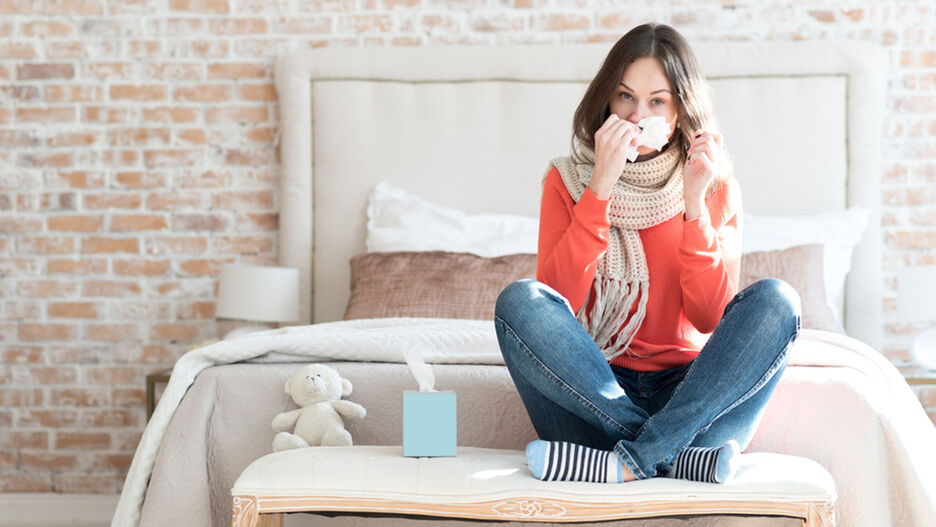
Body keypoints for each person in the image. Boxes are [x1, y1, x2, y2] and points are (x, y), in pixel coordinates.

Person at [493, 23, 802, 484]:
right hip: (592, 393)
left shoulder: (714, 185)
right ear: (606, 102)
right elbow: (558, 301)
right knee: (520, 301)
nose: (638, 115)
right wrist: (599, 188)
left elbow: (709, 317)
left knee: (778, 302)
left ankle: (624, 463)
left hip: (692, 395)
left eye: (657, 101)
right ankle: (673, 458)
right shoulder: (568, 181)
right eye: (625, 97)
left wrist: (694, 206)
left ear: (680, 112)